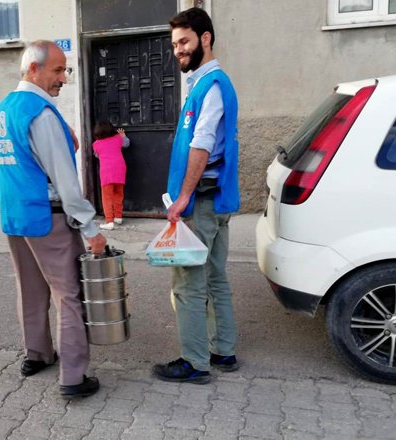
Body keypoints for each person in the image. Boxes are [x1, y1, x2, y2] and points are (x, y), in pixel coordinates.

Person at [0, 40, 107, 399]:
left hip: (15, 214)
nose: (64, 79)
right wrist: (91, 229)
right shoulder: (41, 114)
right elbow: (66, 182)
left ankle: (37, 355)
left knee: (30, 289)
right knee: (69, 294)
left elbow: (22, 160)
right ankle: (73, 377)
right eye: (57, 70)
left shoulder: (8, 107)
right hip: (48, 218)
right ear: (33, 69)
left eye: (65, 70)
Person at [152, 7, 241, 384]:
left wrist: (183, 197)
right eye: (174, 44)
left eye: (184, 41)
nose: (178, 50)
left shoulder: (211, 85)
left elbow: (202, 145)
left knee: (189, 283)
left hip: (202, 200)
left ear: (205, 38)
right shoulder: (207, 84)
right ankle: (224, 349)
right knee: (216, 276)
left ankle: (194, 362)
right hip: (215, 199)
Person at [91, 121, 130, 230]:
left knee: (107, 197)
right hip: (120, 169)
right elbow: (126, 144)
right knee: (119, 193)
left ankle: (109, 221)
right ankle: (118, 216)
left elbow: (97, 155)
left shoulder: (96, 144)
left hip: (107, 171)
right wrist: (124, 136)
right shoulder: (118, 138)